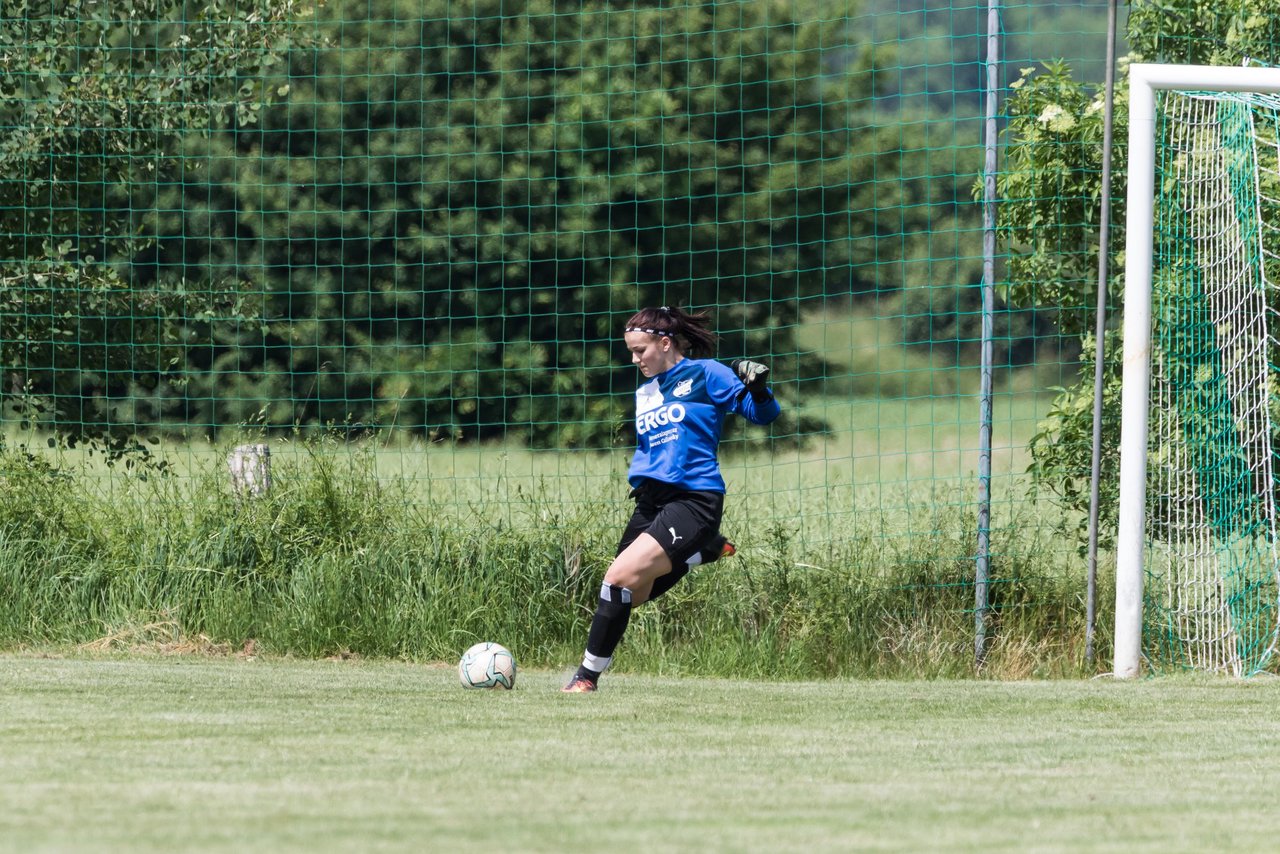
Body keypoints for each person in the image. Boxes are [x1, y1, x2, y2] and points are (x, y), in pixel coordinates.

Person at [562, 306, 781, 693]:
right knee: (629, 592)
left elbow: (763, 416)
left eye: (640, 350)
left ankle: (585, 678)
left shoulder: (706, 373)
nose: (634, 359)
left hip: (693, 499)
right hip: (650, 502)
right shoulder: (645, 389)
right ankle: (702, 551)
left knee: (616, 578)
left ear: (665, 343)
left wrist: (758, 389)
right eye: (630, 351)